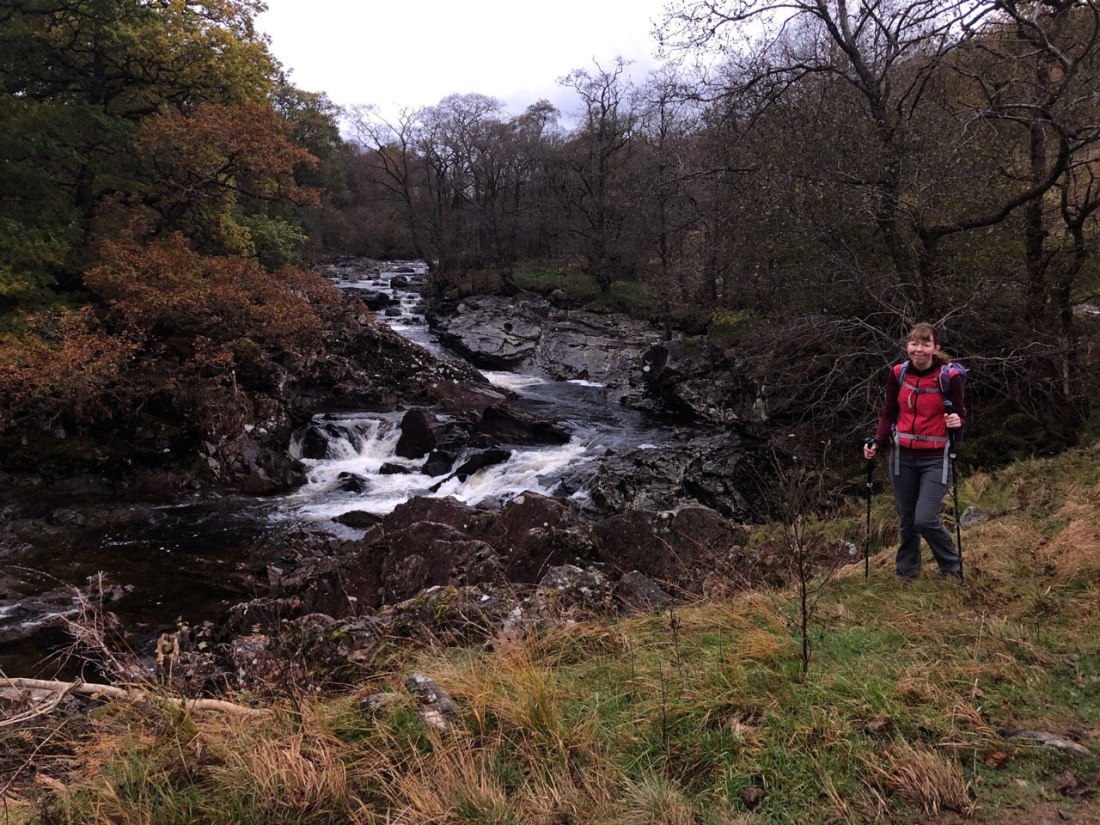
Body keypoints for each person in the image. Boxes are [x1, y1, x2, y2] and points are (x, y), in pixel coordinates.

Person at [864, 323, 965, 581]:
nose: (918, 349)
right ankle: (906, 573)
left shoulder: (949, 377)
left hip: (936, 458)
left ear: (935, 348)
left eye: (925, 344)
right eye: (914, 343)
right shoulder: (898, 373)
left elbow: (959, 418)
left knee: (924, 518)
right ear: (907, 346)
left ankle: (952, 568)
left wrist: (957, 423)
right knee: (907, 519)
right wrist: (877, 442)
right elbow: (888, 413)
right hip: (902, 457)